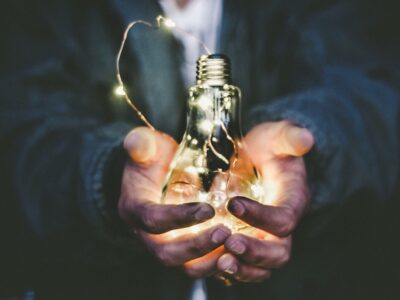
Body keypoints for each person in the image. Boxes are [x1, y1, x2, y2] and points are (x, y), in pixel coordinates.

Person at [0, 0, 399, 299]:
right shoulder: (51, 13)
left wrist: (309, 149)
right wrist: (107, 179)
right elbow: (24, 130)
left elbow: (372, 93)